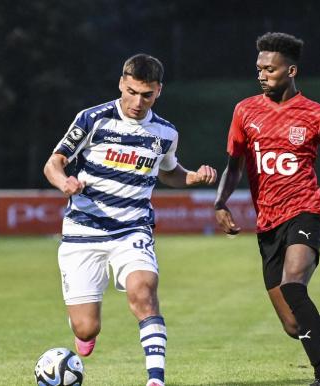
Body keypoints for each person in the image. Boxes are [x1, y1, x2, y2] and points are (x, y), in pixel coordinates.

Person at [214, 32, 320, 386]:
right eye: (259, 68)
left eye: (270, 69)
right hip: (268, 224)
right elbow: (234, 166)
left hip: (305, 212)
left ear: (291, 71)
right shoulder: (245, 111)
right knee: (294, 326)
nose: (261, 74)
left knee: (294, 285)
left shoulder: (318, 115)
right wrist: (220, 202)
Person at [44, 53, 217, 386]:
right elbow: (54, 162)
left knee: (143, 292)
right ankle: (83, 329)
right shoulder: (93, 119)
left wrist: (192, 178)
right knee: (86, 327)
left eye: (147, 95)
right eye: (133, 91)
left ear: (158, 92)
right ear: (122, 83)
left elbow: (169, 172)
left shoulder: (165, 133)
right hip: (83, 230)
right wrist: (64, 180)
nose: (138, 101)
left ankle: (155, 379)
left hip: (132, 229)